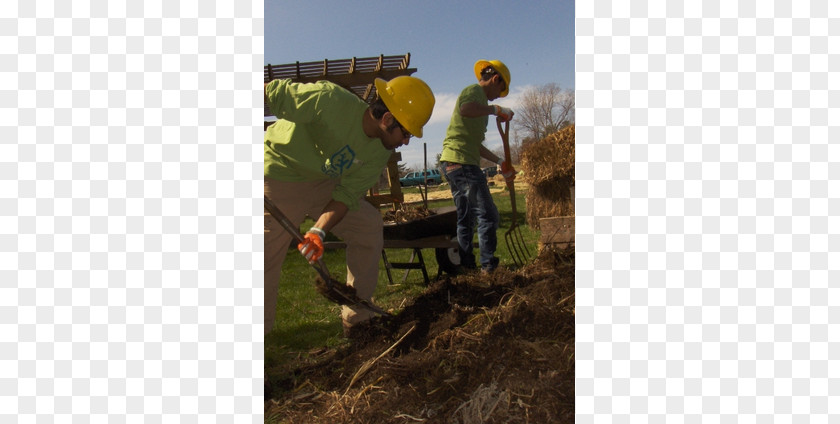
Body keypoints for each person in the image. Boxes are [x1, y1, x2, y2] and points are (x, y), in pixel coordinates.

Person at [263, 76, 435, 336]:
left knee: (367, 225)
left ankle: (358, 318)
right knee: (263, 256)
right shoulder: (330, 100)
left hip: (324, 183)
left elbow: (346, 194)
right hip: (281, 173)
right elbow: (273, 92)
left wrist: (319, 231)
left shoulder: (379, 151)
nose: (407, 141)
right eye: (407, 132)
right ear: (387, 119)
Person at [438, 59, 517, 274]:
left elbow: (475, 144)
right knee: (488, 215)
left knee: (466, 218)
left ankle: (467, 266)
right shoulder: (474, 93)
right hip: (462, 163)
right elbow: (465, 109)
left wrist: (500, 162)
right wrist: (495, 109)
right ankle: (488, 267)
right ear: (495, 79)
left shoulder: (480, 106)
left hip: (453, 162)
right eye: (500, 90)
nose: (497, 96)